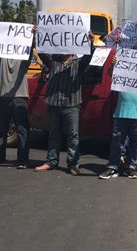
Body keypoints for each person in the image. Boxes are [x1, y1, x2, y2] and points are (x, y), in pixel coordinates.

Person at [34, 32, 94, 176]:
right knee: (54, 134)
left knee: (73, 135)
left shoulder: (78, 65)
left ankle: (73, 164)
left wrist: (90, 43)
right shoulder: (53, 63)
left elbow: (88, 57)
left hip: (71, 105)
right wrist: (37, 36)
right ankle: (51, 161)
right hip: (54, 104)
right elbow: (42, 53)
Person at [0, 26, 37, 169]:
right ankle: (0, 156)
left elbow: (30, 48)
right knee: (2, 130)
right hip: (3, 98)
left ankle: (22, 159)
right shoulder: (2, 58)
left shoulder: (23, 59)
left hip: (19, 97)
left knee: (22, 130)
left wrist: (32, 37)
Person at [100, 47, 137, 179]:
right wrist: (113, 64)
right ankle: (112, 167)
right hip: (122, 110)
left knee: (136, 143)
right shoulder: (123, 66)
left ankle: (131, 167)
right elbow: (111, 74)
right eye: (135, 54)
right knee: (117, 141)